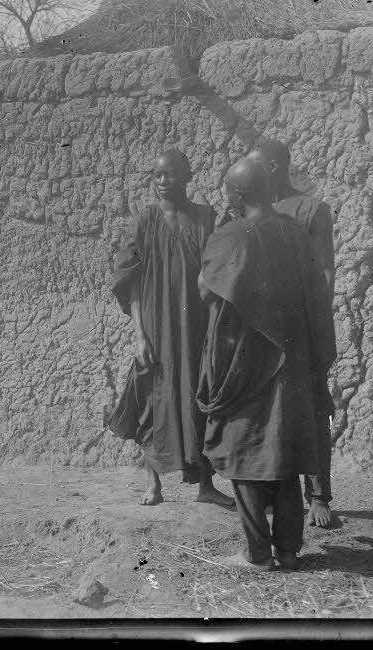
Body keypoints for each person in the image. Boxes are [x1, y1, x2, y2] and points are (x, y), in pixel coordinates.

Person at [196, 158, 337, 571]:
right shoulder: (295, 232)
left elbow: (205, 290)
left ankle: (258, 555)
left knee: (245, 451)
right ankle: (289, 551)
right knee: (283, 451)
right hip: (292, 364)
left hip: (245, 363)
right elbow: (317, 294)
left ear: (236, 195)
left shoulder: (231, 236)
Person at [107, 150, 235, 509]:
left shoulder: (205, 217)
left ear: (187, 176)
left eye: (171, 174)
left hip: (197, 325)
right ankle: (153, 483)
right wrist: (139, 335)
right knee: (154, 399)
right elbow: (130, 281)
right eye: (158, 175)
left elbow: (218, 266)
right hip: (157, 326)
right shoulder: (146, 221)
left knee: (199, 395)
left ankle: (205, 485)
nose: (163, 181)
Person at [247, 139, 339, 529]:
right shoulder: (249, 210)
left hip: (301, 330)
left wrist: (313, 324)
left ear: (270, 168)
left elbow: (325, 271)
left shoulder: (310, 209)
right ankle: (273, 493)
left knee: (313, 407)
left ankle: (318, 496)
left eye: (253, 166)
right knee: (268, 410)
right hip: (264, 331)